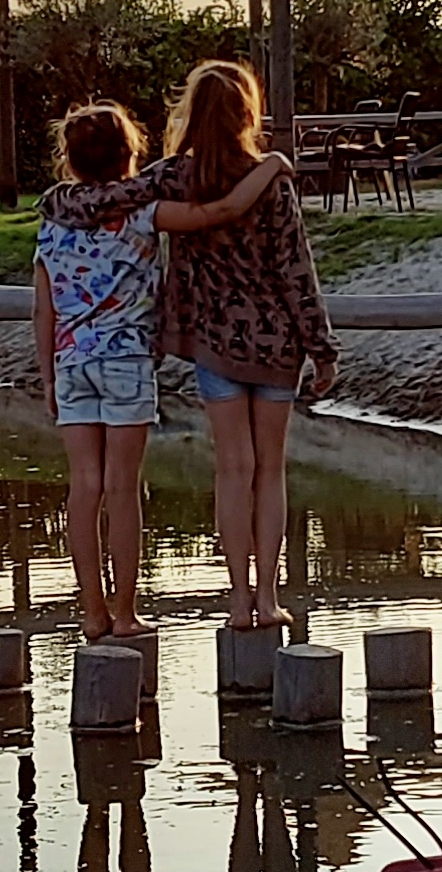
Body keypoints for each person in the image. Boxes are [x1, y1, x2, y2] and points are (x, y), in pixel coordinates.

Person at [36, 103, 287, 639]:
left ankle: (92, 612)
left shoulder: (52, 222)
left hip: (71, 361)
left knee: (84, 486)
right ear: (131, 154)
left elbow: (43, 309)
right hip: (125, 360)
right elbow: (218, 212)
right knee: (123, 488)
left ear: (70, 161)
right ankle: (126, 613)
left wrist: (48, 376)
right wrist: (270, 166)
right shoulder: (146, 213)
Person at [144, 61, 339, 630]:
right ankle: (270, 597)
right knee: (269, 471)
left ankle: (236, 598)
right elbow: (295, 269)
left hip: (214, 344)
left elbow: (114, 194)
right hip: (277, 346)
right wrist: (321, 347)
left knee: (232, 470)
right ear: (247, 116)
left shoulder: (176, 178)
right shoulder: (271, 182)